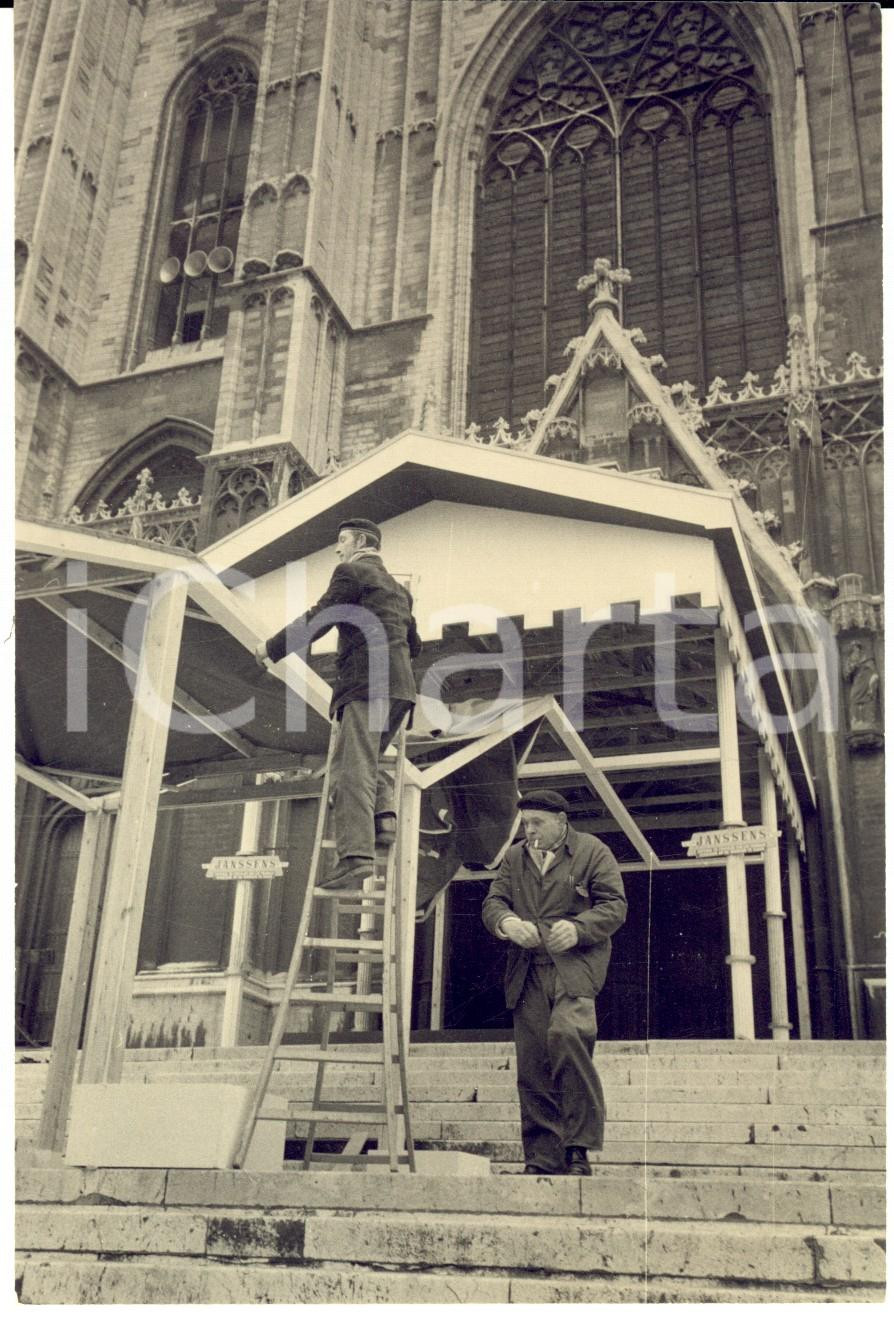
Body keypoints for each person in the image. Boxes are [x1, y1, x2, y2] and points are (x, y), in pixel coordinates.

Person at [256, 517, 421, 888]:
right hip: (401, 690)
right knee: (368, 758)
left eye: (342, 540)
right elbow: (416, 644)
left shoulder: (350, 572)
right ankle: (384, 820)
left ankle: (355, 856)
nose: (337, 548)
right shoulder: (399, 588)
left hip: (365, 686)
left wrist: (270, 648)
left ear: (361, 541)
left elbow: (320, 618)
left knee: (350, 768)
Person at [482, 790, 627, 1176]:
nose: (529, 831)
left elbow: (615, 906)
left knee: (567, 1038)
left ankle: (578, 1148)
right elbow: (493, 902)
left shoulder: (593, 851)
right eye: (525, 824)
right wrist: (508, 923)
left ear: (562, 821)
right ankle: (542, 1158)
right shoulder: (515, 857)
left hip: (574, 970)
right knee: (531, 1064)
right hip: (527, 972)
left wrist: (579, 929)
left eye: (537, 823)